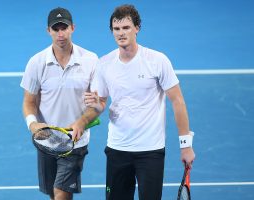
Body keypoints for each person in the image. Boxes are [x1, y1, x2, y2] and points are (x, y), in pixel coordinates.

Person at [84, 4, 195, 200]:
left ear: (137, 28)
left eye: (126, 27)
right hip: (118, 149)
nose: (121, 33)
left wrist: (185, 145)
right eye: (116, 29)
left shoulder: (157, 61)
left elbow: (178, 101)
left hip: (150, 150)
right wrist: (96, 105)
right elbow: (101, 102)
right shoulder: (104, 64)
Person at [20, 7, 98, 200]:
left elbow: (97, 104)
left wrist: (83, 120)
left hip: (75, 141)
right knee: (53, 195)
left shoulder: (91, 60)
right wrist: (33, 124)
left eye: (64, 28)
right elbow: (29, 102)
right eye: (56, 29)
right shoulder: (36, 62)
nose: (60, 33)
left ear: (73, 28)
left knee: (61, 193)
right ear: (49, 31)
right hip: (48, 139)